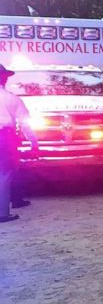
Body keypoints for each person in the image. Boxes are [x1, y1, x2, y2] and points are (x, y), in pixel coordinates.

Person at [0, 64, 39, 223]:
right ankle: (2, 213)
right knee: (5, 173)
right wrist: (34, 143)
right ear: (4, 78)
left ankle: (16, 199)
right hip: (4, 137)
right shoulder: (11, 98)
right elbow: (25, 124)